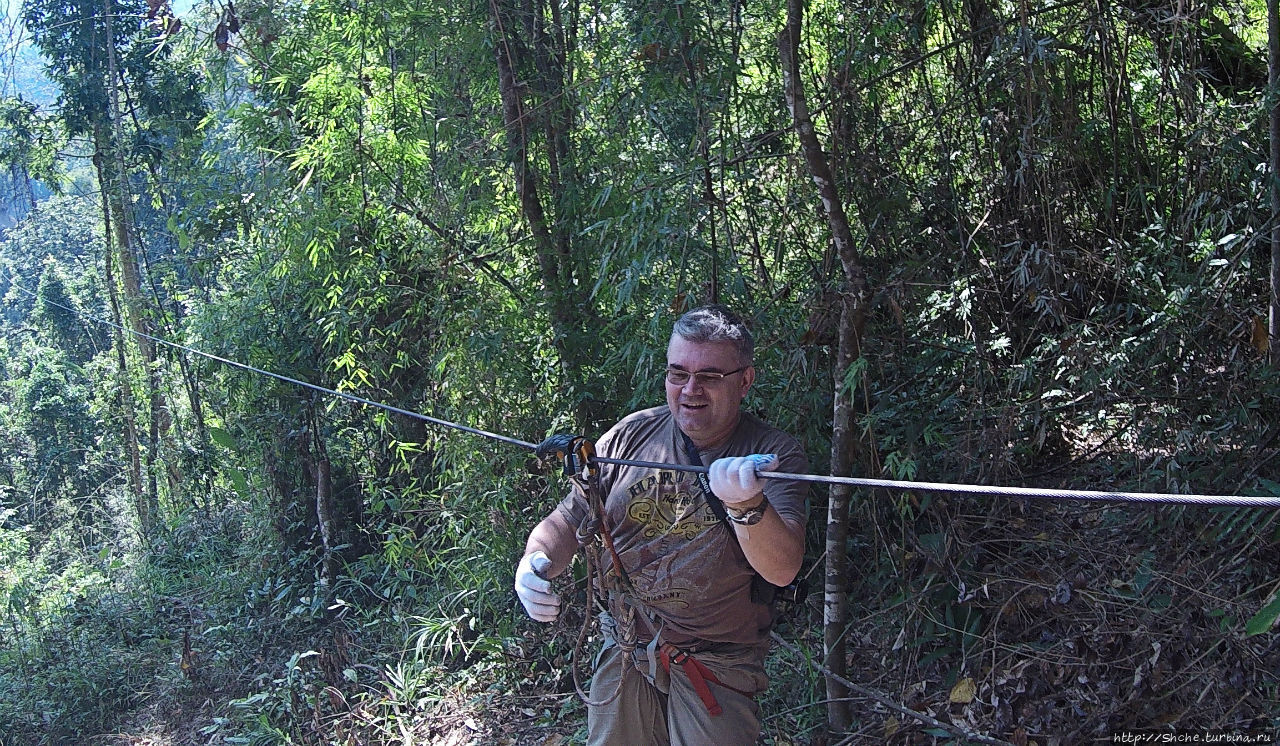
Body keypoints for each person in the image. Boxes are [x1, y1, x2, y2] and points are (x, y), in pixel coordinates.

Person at [515, 304, 809, 745]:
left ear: (745, 380)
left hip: (717, 660)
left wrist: (747, 504)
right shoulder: (631, 436)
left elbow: (783, 568)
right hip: (628, 645)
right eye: (678, 374)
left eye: (710, 376)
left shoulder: (771, 454)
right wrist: (533, 561)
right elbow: (570, 517)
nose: (690, 390)